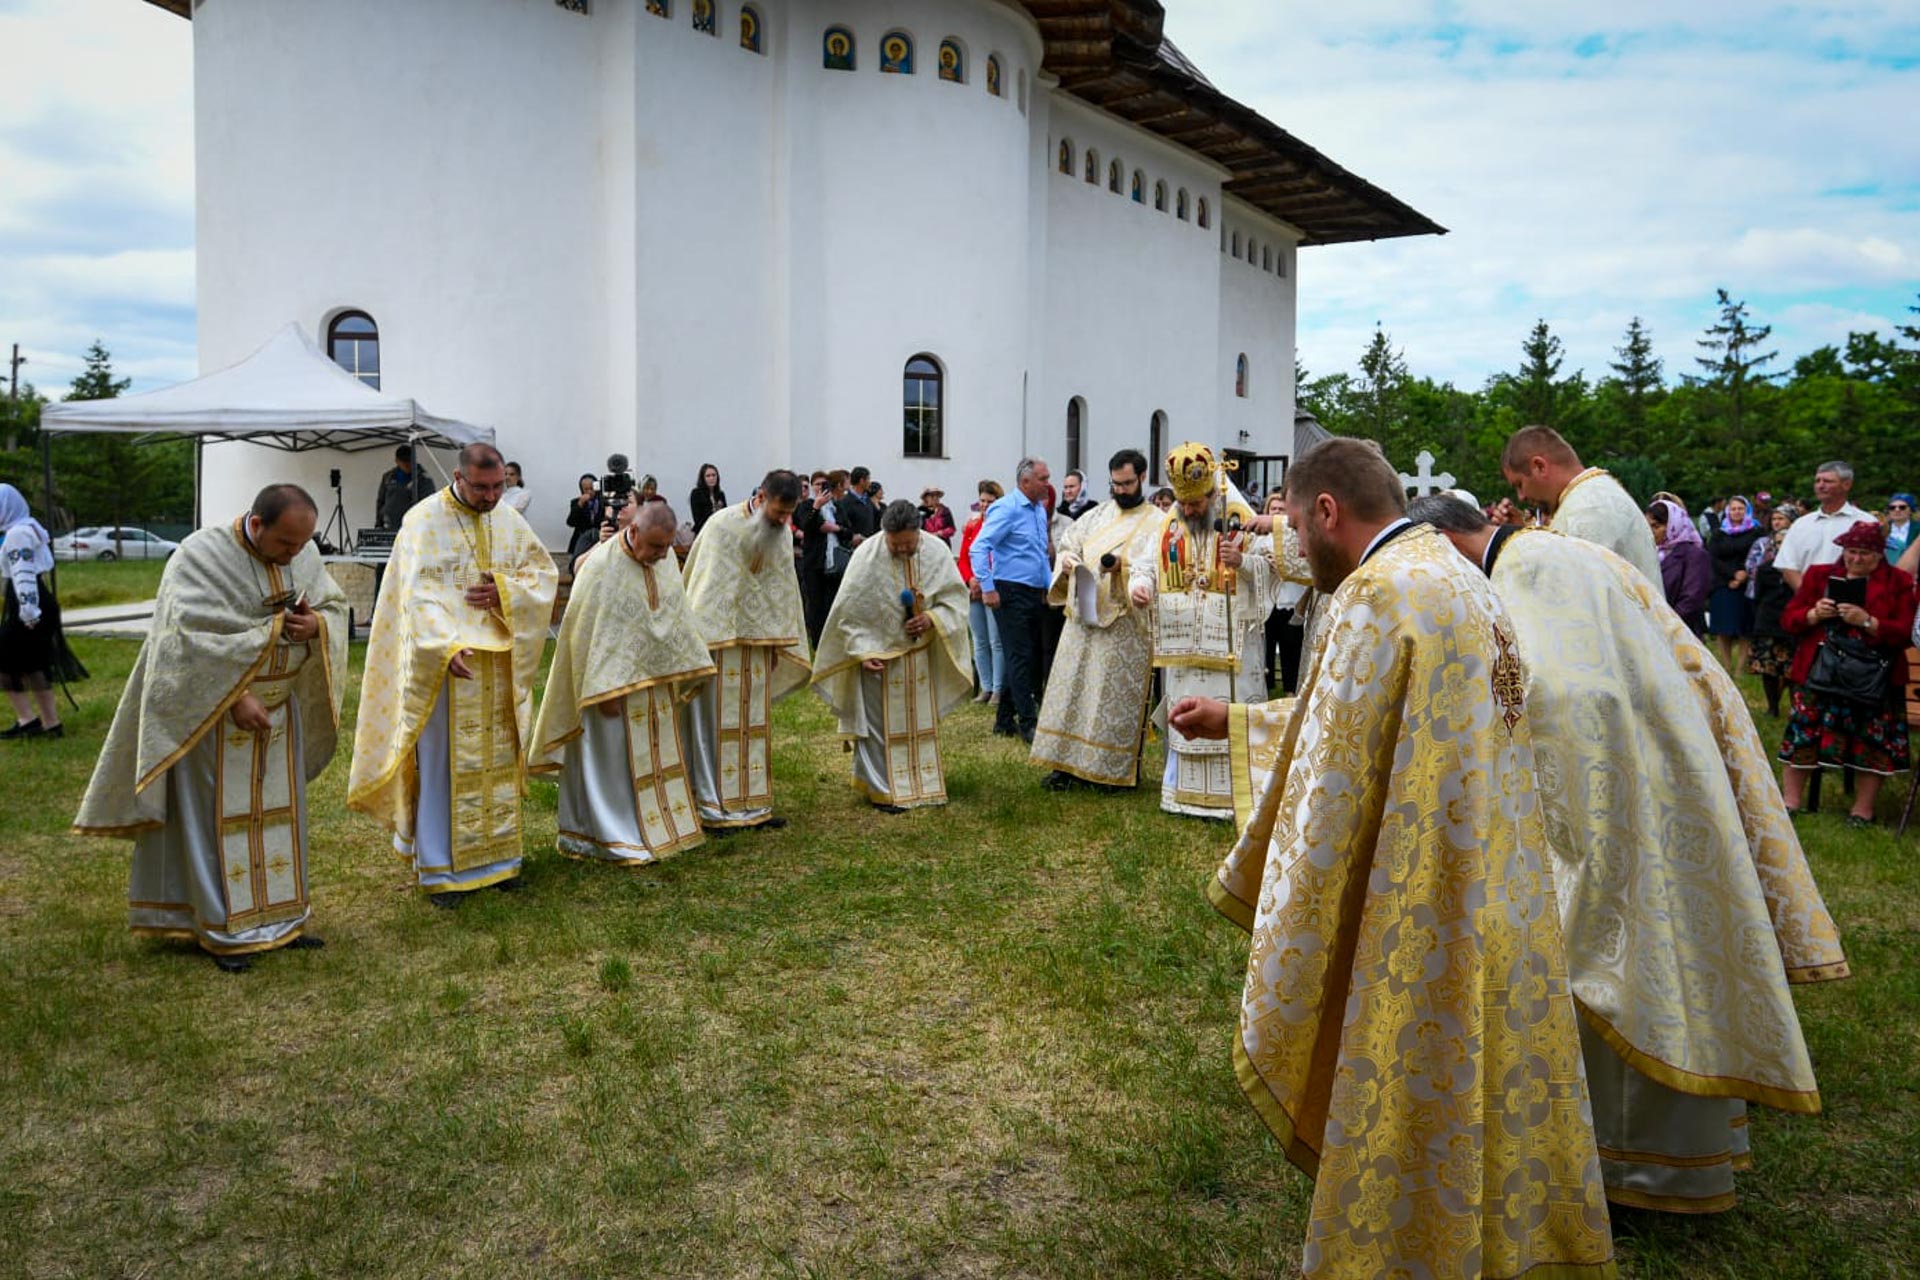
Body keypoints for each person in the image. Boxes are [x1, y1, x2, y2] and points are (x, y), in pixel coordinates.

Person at [1181, 438, 1614, 1277]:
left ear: (1326, 511)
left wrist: (1280, 903)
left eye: (1295, 524)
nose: (1294, 543)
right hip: (1495, 875)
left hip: (1419, 891)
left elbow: (1330, 768)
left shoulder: (1377, 592)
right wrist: (1237, 724)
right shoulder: (1458, 575)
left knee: (1417, 1075)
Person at [1412, 495, 1848, 1212]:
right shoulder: (1552, 551)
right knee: (1660, 958)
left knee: (1609, 959)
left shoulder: (1529, 571)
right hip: (1658, 769)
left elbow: (1566, 700)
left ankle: (1616, 1171)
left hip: (1609, 801)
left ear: (1448, 544)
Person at [74, 484, 348, 970]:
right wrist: (233, 697)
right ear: (257, 524)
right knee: (217, 826)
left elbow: (333, 604)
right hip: (213, 719)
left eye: (302, 544)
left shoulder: (300, 552)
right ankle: (223, 927)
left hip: (279, 716)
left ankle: (281, 919)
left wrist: (317, 626)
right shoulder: (198, 556)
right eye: (286, 543)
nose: (294, 555)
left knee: (278, 818)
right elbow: (181, 640)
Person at [347, 444, 558, 904]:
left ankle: (500, 862)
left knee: (496, 764)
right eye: (481, 487)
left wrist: (506, 593)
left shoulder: (507, 519)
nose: (491, 496)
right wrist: (444, 645)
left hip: (496, 665)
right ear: (459, 478)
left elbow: (542, 574)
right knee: (445, 766)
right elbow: (416, 595)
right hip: (447, 666)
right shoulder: (422, 521)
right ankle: (441, 870)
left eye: (499, 486)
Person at [530, 501, 714, 865]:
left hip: (655, 683)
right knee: (613, 764)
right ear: (633, 531)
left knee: (655, 757)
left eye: (667, 547)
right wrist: (603, 690)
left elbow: (674, 614)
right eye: (656, 546)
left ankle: (660, 827)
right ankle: (610, 835)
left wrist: (680, 667)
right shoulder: (601, 566)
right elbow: (586, 634)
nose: (662, 555)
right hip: (607, 694)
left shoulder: (664, 563)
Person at [1130, 444, 1280, 819]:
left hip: (1232, 648)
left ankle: (1234, 800)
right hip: (1182, 646)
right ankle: (1182, 796)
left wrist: (1242, 562)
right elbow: (1145, 564)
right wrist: (1140, 586)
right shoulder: (1168, 525)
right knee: (1187, 715)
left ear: (1212, 494)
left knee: (1230, 714)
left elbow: (1273, 567)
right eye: (1184, 503)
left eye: (1196, 503)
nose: (1190, 510)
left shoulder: (1241, 518)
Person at [811, 500, 972, 812]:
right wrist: (861, 651)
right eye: (895, 545)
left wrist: (931, 619)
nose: (902, 550)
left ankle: (924, 785)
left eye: (908, 544)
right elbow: (848, 613)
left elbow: (955, 599)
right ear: (885, 534)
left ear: (919, 533)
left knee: (920, 723)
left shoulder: (936, 551)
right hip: (878, 657)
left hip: (920, 656)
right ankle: (883, 789)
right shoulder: (866, 556)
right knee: (879, 728)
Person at [679, 469, 813, 830]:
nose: (783, 521)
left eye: (788, 514)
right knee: (713, 726)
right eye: (778, 512)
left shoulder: (782, 533)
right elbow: (705, 588)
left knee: (753, 725)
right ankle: (712, 806)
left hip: (757, 650)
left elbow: (781, 590)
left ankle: (752, 804)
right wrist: (704, 643)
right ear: (762, 497)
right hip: (718, 647)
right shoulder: (721, 525)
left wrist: (776, 644)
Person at [1031, 449, 1161, 790]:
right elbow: (1068, 544)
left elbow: (1157, 568)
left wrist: (1122, 568)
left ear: (1142, 478)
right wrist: (1068, 561)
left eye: (1128, 483)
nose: (1121, 490)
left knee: (1107, 699)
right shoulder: (1096, 515)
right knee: (1072, 692)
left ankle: (1106, 771)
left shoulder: (1159, 523)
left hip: (1123, 628)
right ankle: (1064, 766)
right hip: (1082, 621)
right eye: (1115, 484)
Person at [1778, 520, 1916, 826]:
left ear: (1880, 554)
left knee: (1872, 742)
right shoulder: (1819, 575)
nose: (1856, 558)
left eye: (1865, 553)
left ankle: (1862, 810)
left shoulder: (1899, 582)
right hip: (1820, 671)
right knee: (1803, 734)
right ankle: (1790, 802)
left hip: (1875, 676)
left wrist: (1868, 621)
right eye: (1851, 551)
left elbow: (1906, 632)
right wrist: (1814, 614)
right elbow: (1789, 620)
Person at [1501, 424, 1662, 585]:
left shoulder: (1587, 512)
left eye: (1519, 484)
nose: (1521, 497)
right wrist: (1522, 533)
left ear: (1540, 466)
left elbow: (1567, 593)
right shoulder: (1595, 494)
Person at [969, 457, 1053, 744]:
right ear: (1025, 481)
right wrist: (988, 587)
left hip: (1033, 591)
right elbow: (979, 547)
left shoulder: (1038, 509)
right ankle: (1028, 722)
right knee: (1020, 656)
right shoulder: (1007, 508)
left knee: (1026, 655)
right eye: (1043, 478)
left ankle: (1004, 720)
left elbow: (1039, 553)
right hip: (1009, 590)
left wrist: (1048, 586)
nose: (1047, 483)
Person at [1, 483, 83, 740]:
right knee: (34, 663)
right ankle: (50, 723)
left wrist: (28, 611)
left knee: (7, 661)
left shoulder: (17, 534)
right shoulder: (28, 528)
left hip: (29, 602)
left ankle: (28, 720)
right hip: (37, 600)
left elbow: (24, 573)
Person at [1775, 460, 1870, 591]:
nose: (1820, 486)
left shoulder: (1866, 522)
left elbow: (1876, 568)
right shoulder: (1801, 524)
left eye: (1827, 481)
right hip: (1807, 599)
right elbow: (1788, 567)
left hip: (1854, 599)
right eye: (1817, 481)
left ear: (1846, 485)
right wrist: (1809, 597)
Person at [1746, 504, 1800, 717]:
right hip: (1768, 621)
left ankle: (1796, 707)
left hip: (1792, 622)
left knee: (1792, 668)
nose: (1781, 546)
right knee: (1768, 667)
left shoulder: (1801, 570)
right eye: (1778, 543)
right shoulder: (1765, 569)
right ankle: (1772, 707)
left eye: (1785, 543)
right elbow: (1758, 596)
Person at [958, 480, 1004, 705]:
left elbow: (1000, 558)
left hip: (993, 587)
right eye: (982, 501)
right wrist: (970, 580)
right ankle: (985, 687)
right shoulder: (972, 527)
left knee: (996, 641)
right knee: (979, 640)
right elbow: (963, 558)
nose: (985, 505)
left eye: (990, 501)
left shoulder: (1002, 526)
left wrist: (986, 582)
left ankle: (998, 688)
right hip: (974, 590)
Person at [1259, 488, 1306, 697]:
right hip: (1267, 602)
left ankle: (1290, 692)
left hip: (1290, 601)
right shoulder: (1260, 538)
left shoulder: (1294, 537)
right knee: (1265, 651)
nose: (1277, 512)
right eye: (1273, 509)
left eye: (1281, 509)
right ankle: (1265, 691)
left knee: (1291, 650)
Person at [1706, 494, 1762, 668]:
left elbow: (1760, 554)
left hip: (1748, 584)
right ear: (1728, 511)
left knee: (1745, 628)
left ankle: (1740, 669)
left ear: (1747, 511)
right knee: (1723, 627)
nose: (1736, 512)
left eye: (1740, 509)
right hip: (1723, 584)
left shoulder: (1756, 532)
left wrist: (1745, 574)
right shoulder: (1719, 533)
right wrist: (1732, 575)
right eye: (1733, 509)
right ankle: (1726, 666)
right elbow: (1713, 558)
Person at [795, 470, 846, 647]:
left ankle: (831, 642)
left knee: (831, 603)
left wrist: (834, 528)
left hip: (834, 562)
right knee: (815, 604)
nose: (820, 488)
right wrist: (816, 507)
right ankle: (817, 643)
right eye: (817, 484)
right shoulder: (806, 505)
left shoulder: (837, 507)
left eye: (824, 485)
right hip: (814, 562)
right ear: (812, 487)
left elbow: (847, 529)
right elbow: (807, 525)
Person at [1648, 499, 1712, 632]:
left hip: (1679, 630)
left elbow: (1692, 598)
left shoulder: (1694, 555)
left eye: (1656, 526)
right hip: (1651, 627)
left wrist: (1666, 623)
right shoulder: (1650, 552)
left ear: (1673, 525)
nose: (1650, 531)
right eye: (1647, 527)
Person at [375, 444, 436, 531]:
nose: (407, 464)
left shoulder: (424, 479)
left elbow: (429, 505)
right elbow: (381, 501)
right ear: (397, 461)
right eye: (403, 461)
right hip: (389, 526)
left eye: (409, 461)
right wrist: (378, 524)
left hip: (413, 527)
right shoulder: (388, 477)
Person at [565, 473, 604, 563]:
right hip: (581, 540)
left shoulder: (604, 502)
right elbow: (570, 522)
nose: (589, 492)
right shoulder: (576, 502)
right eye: (586, 489)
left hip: (599, 539)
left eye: (591, 488)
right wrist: (580, 505)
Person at [688, 463, 727, 534]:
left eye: (714, 475)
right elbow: (697, 519)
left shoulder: (720, 494)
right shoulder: (696, 493)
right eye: (708, 476)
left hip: (720, 532)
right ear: (703, 478)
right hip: (703, 532)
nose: (711, 478)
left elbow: (725, 515)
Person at [1884, 492, 1916, 560]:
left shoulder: (1918, 529)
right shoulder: (1881, 528)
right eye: (1892, 507)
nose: (1897, 510)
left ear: (1911, 510)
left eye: (1902, 507)